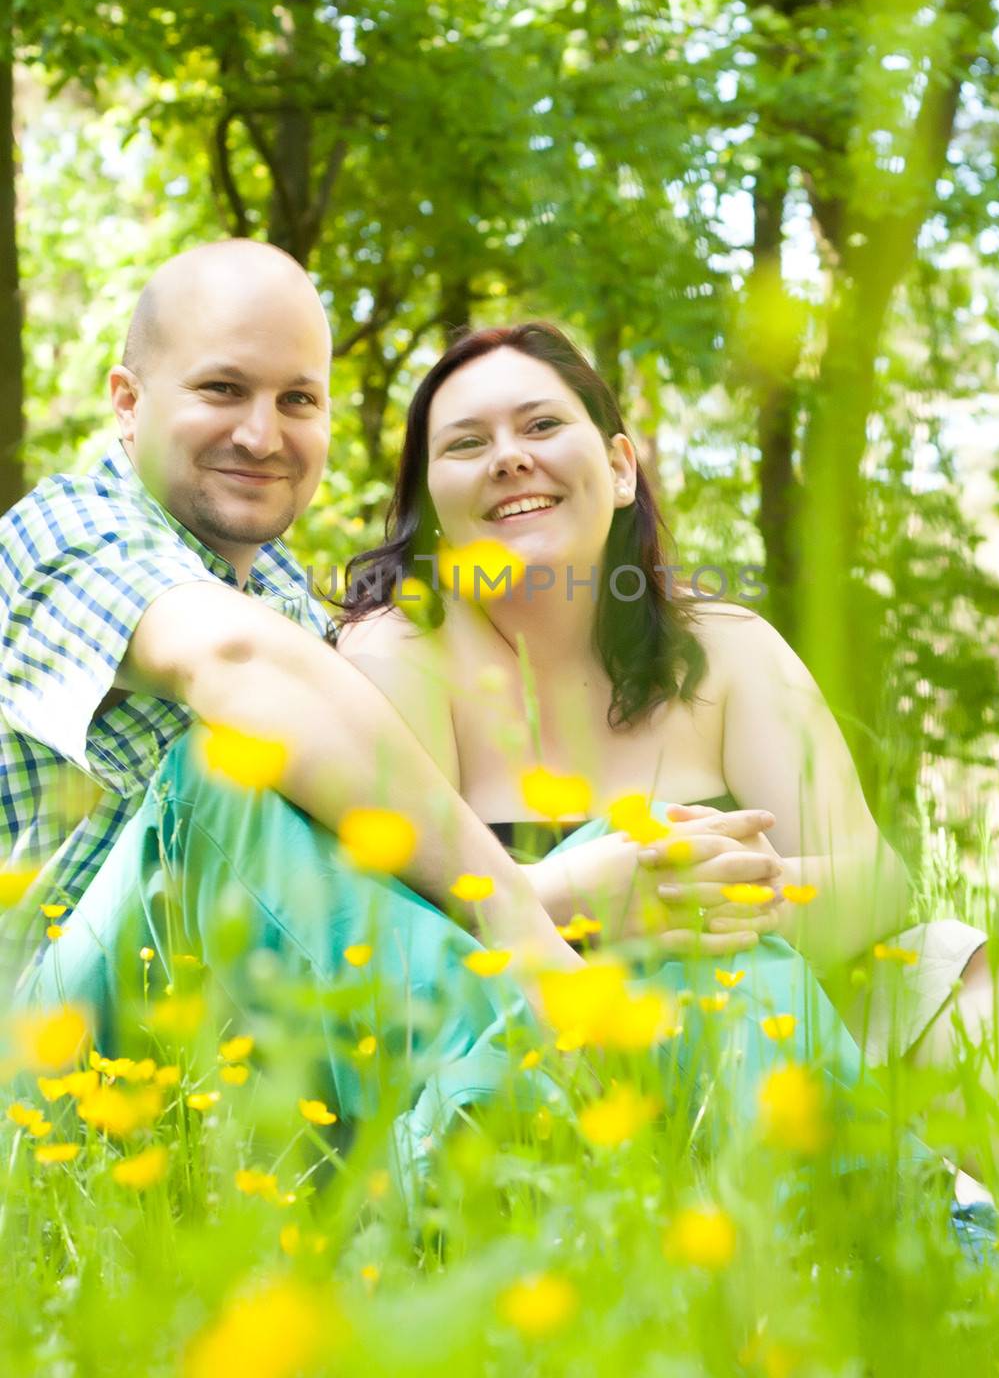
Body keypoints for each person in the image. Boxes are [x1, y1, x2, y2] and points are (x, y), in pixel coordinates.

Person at [335, 321, 999, 1196]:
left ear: (617, 469)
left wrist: (697, 899)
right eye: (466, 444)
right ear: (431, 502)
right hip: (538, 1044)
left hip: (781, 1013)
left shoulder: (725, 647)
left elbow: (874, 884)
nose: (508, 458)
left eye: (539, 426)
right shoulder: (395, 655)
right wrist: (589, 899)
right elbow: (373, 940)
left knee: (945, 970)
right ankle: (934, 1225)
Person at [0, 243, 582, 1159]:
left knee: (633, 848)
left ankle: (834, 1184)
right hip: (45, 1077)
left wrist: (563, 890)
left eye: (297, 400)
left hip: (220, 1056)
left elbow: (360, 860)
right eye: (222, 390)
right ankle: (547, 1120)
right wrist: (523, 921)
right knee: (223, 772)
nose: (263, 436)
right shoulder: (58, 532)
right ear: (127, 401)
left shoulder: (284, 598)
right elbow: (232, 664)